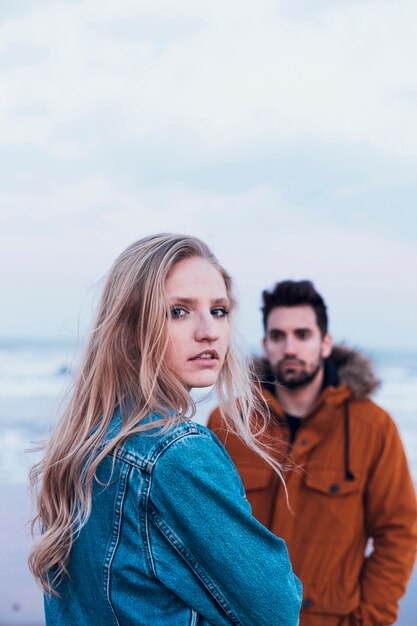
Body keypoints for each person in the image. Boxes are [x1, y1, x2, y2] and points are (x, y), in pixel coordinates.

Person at [28, 234, 302, 626]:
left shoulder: (87, 442)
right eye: (178, 311)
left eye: (219, 310)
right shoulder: (175, 452)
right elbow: (277, 609)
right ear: (129, 328)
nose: (209, 331)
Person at [209, 280, 417, 626]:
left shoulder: (372, 426)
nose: (290, 347)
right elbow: (206, 531)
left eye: (302, 335)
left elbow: (398, 531)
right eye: (278, 336)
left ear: (324, 344)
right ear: (265, 344)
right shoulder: (229, 423)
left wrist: (370, 619)